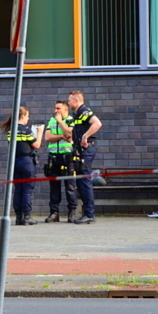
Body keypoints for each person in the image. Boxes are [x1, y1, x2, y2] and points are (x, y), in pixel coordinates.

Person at [66, 90, 102, 225]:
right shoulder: (77, 115)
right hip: (80, 151)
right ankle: (87, 213)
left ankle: (89, 214)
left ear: (76, 101)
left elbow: (97, 123)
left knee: (85, 181)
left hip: (86, 150)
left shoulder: (84, 111)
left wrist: (85, 136)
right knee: (82, 182)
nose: (68, 103)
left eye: (69, 100)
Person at [2, 106, 42, 225]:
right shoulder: (26, 131)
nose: (28, 119)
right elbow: (37, 145)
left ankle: (18, 216)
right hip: (26, 162)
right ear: (23, 116)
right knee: (27, 190)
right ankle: (27, 216)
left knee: (18, 189)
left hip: (14, 162)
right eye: (27, 116)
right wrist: (39, 133)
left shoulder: (10, 131)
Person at [43, 100, 78, 223]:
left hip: (67, 157)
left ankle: (72, 212)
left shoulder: (71, 120)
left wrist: (60, 122)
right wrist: (62, 136)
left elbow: (69, 135)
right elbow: (47, 137)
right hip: (54, 157)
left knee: (70, 186)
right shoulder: (51, 121)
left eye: (58, 108)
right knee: (54, 186)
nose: (55, 111)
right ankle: (54, 213)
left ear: (65, 110)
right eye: (55, 108)